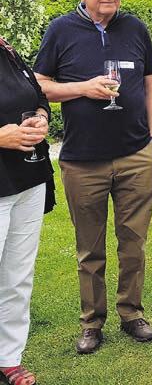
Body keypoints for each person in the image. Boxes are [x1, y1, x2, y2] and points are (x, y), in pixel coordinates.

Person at [34, 0, 152, 354]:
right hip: (82, 159)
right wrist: (82, 89)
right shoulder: (61, 30)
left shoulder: (135, 28)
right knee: (89, 249)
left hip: (135, 155)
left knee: (133, 242)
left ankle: (132, 313)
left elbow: (151, 84)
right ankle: (92, 322)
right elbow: (40, 85)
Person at [0, 37, 54, 385]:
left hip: (27, 177)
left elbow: (38, 96)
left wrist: (41, 118)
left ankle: (8, 358)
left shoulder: (7, 50)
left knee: (17, 277)